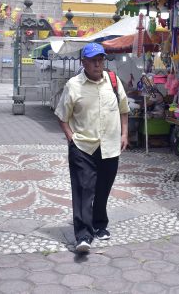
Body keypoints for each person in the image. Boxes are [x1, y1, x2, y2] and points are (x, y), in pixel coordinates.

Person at [55, 43, 129, 253]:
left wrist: (124, 133)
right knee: (83, 190)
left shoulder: (113, 82)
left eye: (100, 60)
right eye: (93, 60)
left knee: (103, 188)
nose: (98, 64)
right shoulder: (73, 85)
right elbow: (62, 116)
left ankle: (99, 224)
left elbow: (124, 109)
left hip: (110, 146)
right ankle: (83, 236)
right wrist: (71, 139)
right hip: (83, 147)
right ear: (83, 63)